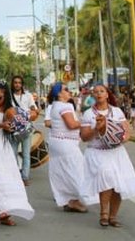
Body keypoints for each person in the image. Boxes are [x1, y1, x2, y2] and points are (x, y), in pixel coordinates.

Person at [80, 84, 135, 228]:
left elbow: (126, 132)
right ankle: (104, 213)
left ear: (107, 94)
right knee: (107, 177)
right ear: (92, 96)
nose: (99, 94)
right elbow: (84, 137)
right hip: (97, 152)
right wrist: (97, 129)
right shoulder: (88, 114)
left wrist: (119, 139)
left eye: (101, 91)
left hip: (116, 152)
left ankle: (113, 216)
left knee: (118, 183)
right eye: (95, 92)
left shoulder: (116, 112)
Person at [0, 81, 34, 226]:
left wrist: (13, 126)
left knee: (10, 176)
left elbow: (18, 123)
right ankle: (2, 213)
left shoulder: (8, 109)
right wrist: (0, 125)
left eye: (0, 97)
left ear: (5, 97)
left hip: (3, 145)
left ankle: (8, 208)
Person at [47, 82, 87, 213]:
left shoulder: (55, 106)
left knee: (63, 171)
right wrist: (85, 123)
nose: (69, 92)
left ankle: (70, 200)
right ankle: (77, 197)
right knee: (77, 170)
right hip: (66, 144)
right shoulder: (65, 106)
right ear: (59, 93)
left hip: (57, 142)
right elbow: (71, 124)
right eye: (66, 89)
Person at [9, 75, 38, 186]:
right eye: (15, 82)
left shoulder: (28, 96)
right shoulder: (9, 96)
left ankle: (25, 177)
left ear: (22, 84)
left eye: (19, 82)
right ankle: (15, 176)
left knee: (26, 154)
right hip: (13, 129)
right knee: (13, 154)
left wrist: (34, 112)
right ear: (13, 84)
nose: (17, 84)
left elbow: (33, 109)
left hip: (26, 128)